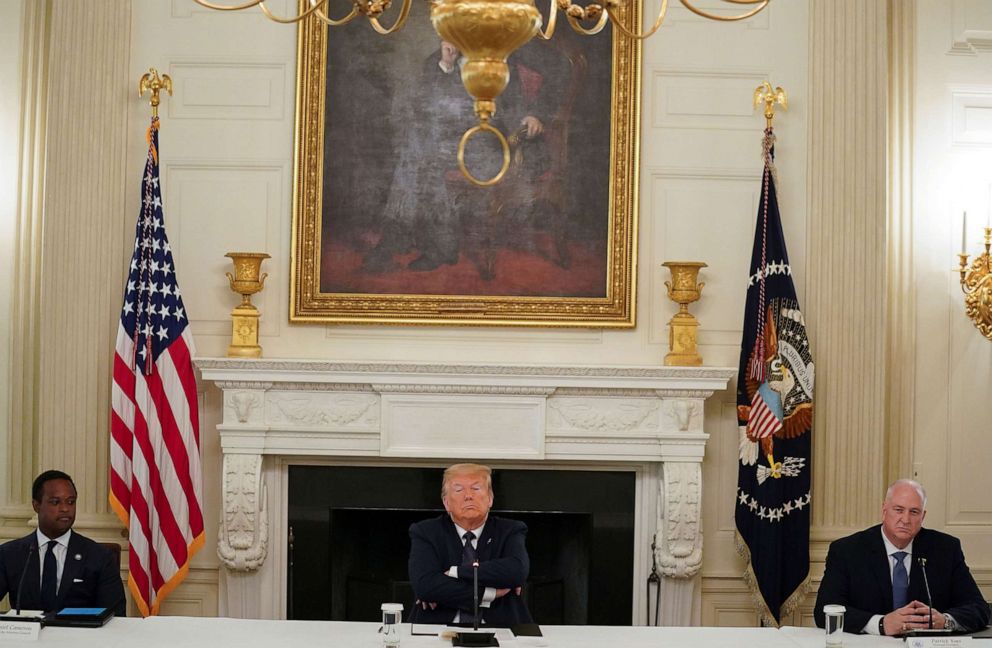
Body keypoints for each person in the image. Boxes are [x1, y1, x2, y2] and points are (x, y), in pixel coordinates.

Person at [814, 479, 990, 635]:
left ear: (923, 516)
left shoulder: (946, 549)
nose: (905, 519)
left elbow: (979, 608)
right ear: (884, 510)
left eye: (914, 512)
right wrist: (881, 624)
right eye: (898, 510)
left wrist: (945, 621)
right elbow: (824, 611)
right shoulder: (847, 550)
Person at [408, 463, 532, 625]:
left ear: (490, 499)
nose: (468, 496)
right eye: (459, 490)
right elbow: (425, 586)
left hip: (502, 626)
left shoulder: (510, 530)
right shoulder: (426, 531)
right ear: (446, 503)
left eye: (476, 488)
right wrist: (491, 593)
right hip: (436, 626)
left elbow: (516, 571)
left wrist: (455, 572)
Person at [0, 470, 126, 615]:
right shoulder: (10, 554)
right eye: (55, 502)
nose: (65, 509)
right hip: (29, 636)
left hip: (79, 636)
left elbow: (116, 616)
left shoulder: (100, 557)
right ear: (36, 505)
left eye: (71, 502)